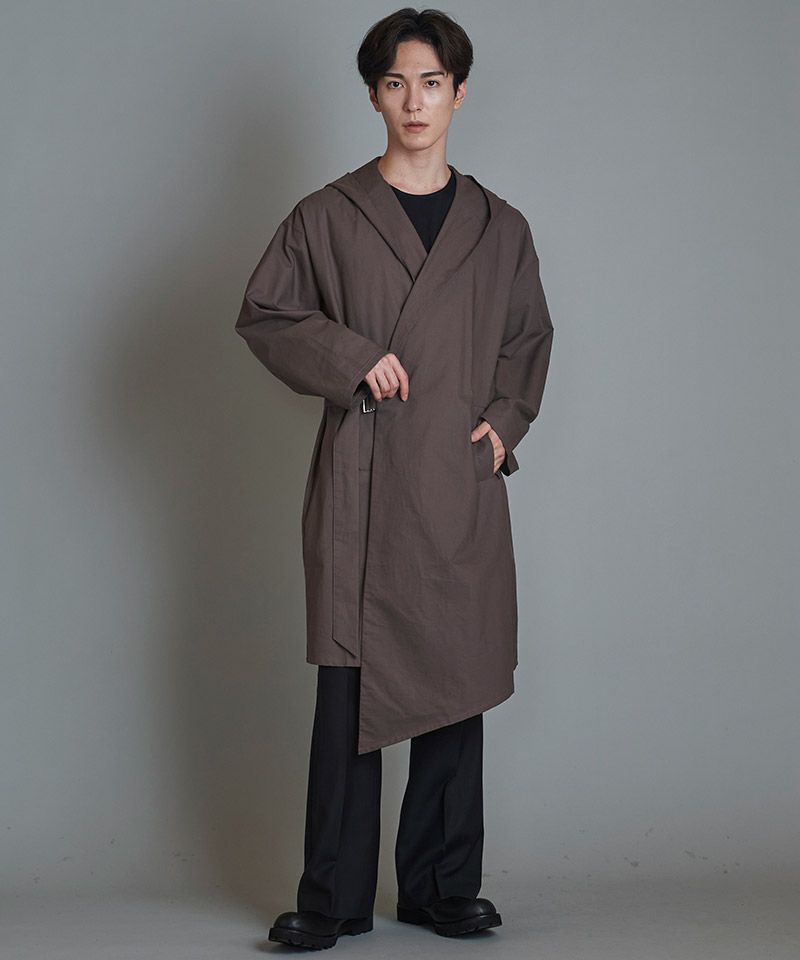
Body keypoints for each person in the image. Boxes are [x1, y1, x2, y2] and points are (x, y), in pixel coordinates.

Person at [235, 7, 554, 950]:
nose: (414, 102)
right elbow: (267, 314)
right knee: (348, 696)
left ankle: (443, 890)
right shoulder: (325, 216)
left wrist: (503, 426)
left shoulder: (500, 227)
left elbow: (528, 338)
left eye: (431, 83)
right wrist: (351, 356)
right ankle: (331, 897)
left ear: (459, 93)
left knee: (455, 686)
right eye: (394, 83)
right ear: (373, 96)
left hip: (455, 484)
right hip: (363, 485)